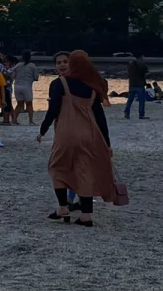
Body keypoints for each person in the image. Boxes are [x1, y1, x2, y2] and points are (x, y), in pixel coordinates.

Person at [37, 49, 116, 226]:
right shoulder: (93, 86)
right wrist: (107, 142)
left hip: (66, 134)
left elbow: (54, 109)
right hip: (89, 134)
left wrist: (43, 129)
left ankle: (63, 208)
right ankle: (86, 216)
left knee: (57, 167)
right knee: (85, 171)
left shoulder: (60, 83)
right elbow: (99, 117)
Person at [11, 52, 40, 126]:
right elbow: (36, 77)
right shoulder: (32, 66)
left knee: (19, 104)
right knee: (29, 104)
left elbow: (13, 76)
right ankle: (30, 121)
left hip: (17, 86)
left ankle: (14, 120)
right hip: (27, 86)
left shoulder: (17, 65)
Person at [124, 52, 150, 121]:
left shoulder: (130, 64)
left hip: (132, 84)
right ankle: (141, 115)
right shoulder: (142, 65)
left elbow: (128, 73)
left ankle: (127, 113)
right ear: (141, 57)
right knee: (141, 101)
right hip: (140, 85)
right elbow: (147, 74)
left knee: (130, 100)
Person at [0, 56, 16, 125]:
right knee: (4, 104)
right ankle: (5, 119)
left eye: (6, 61)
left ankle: (10, 120)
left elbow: (6, 74)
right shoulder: (3, 69)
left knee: (8, 104)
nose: (4, 63)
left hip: (8, 88)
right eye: (4, 62)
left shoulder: (11, 69)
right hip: (3, 87)